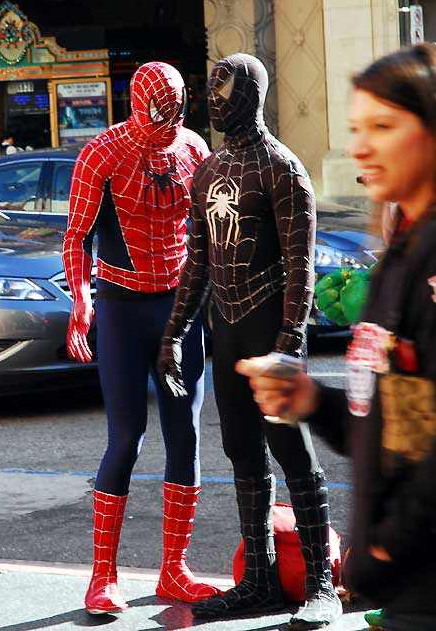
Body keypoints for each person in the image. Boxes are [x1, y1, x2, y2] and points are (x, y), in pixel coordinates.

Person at [236, 43, 436, 631]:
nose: (360, 146)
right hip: (406, 593)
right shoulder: (398, 251)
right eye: (356, 128)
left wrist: (386, 544)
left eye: (383, 125)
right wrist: (308, 400)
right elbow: (393, 428)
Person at [157, 53, 342, 629]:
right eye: (208, 90)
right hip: (226, 329)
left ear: (252, 95)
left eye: (224, 90)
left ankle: (321, 586)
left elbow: (300, 268)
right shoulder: (208, 171)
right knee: (241, 452)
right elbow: (197, 263)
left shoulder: (282, 170)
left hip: (268, 329)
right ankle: (258, 579)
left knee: (292, 453)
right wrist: (174, 332)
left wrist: (289, 345)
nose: (212, 100)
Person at [62, 61, 221, 615]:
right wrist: (81, 303)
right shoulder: (102, 153)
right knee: (125, 436)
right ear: (137, 105)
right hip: (123, 309)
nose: (165, 130)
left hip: (180, 307)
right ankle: (101, 576)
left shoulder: (194, 149)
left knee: (186, 435)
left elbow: (209, 232)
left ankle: (174, 569)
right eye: (158, 118)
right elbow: (77, 238)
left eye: (174, 117)